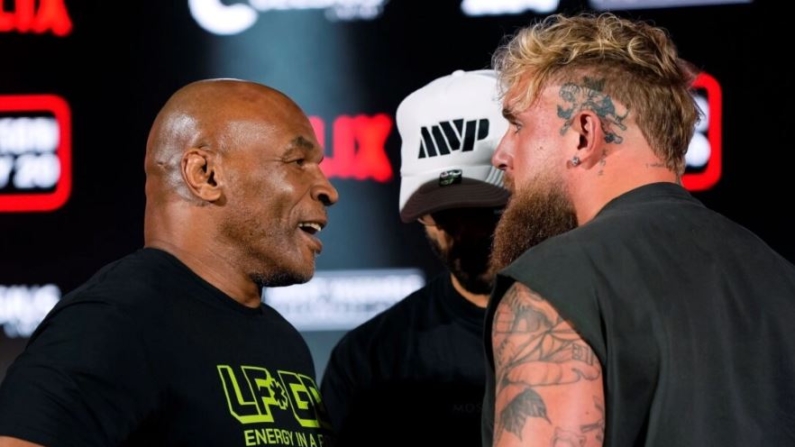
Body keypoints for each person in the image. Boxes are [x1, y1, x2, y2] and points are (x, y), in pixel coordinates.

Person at [482, 11, 795, 447]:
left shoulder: (554, 285)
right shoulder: (780, 276)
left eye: (516, 125)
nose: (500, 154)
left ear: (583, 134)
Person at [0, 78, 338, 447]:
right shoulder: (113, 321)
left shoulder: (284, 342)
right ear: (204, 175)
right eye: (298, 162)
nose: (328, 189)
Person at [320, 69, 509, 446]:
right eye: (441, 214)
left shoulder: (600, 323)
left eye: (482, 211)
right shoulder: (371, 358)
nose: (462, 234)